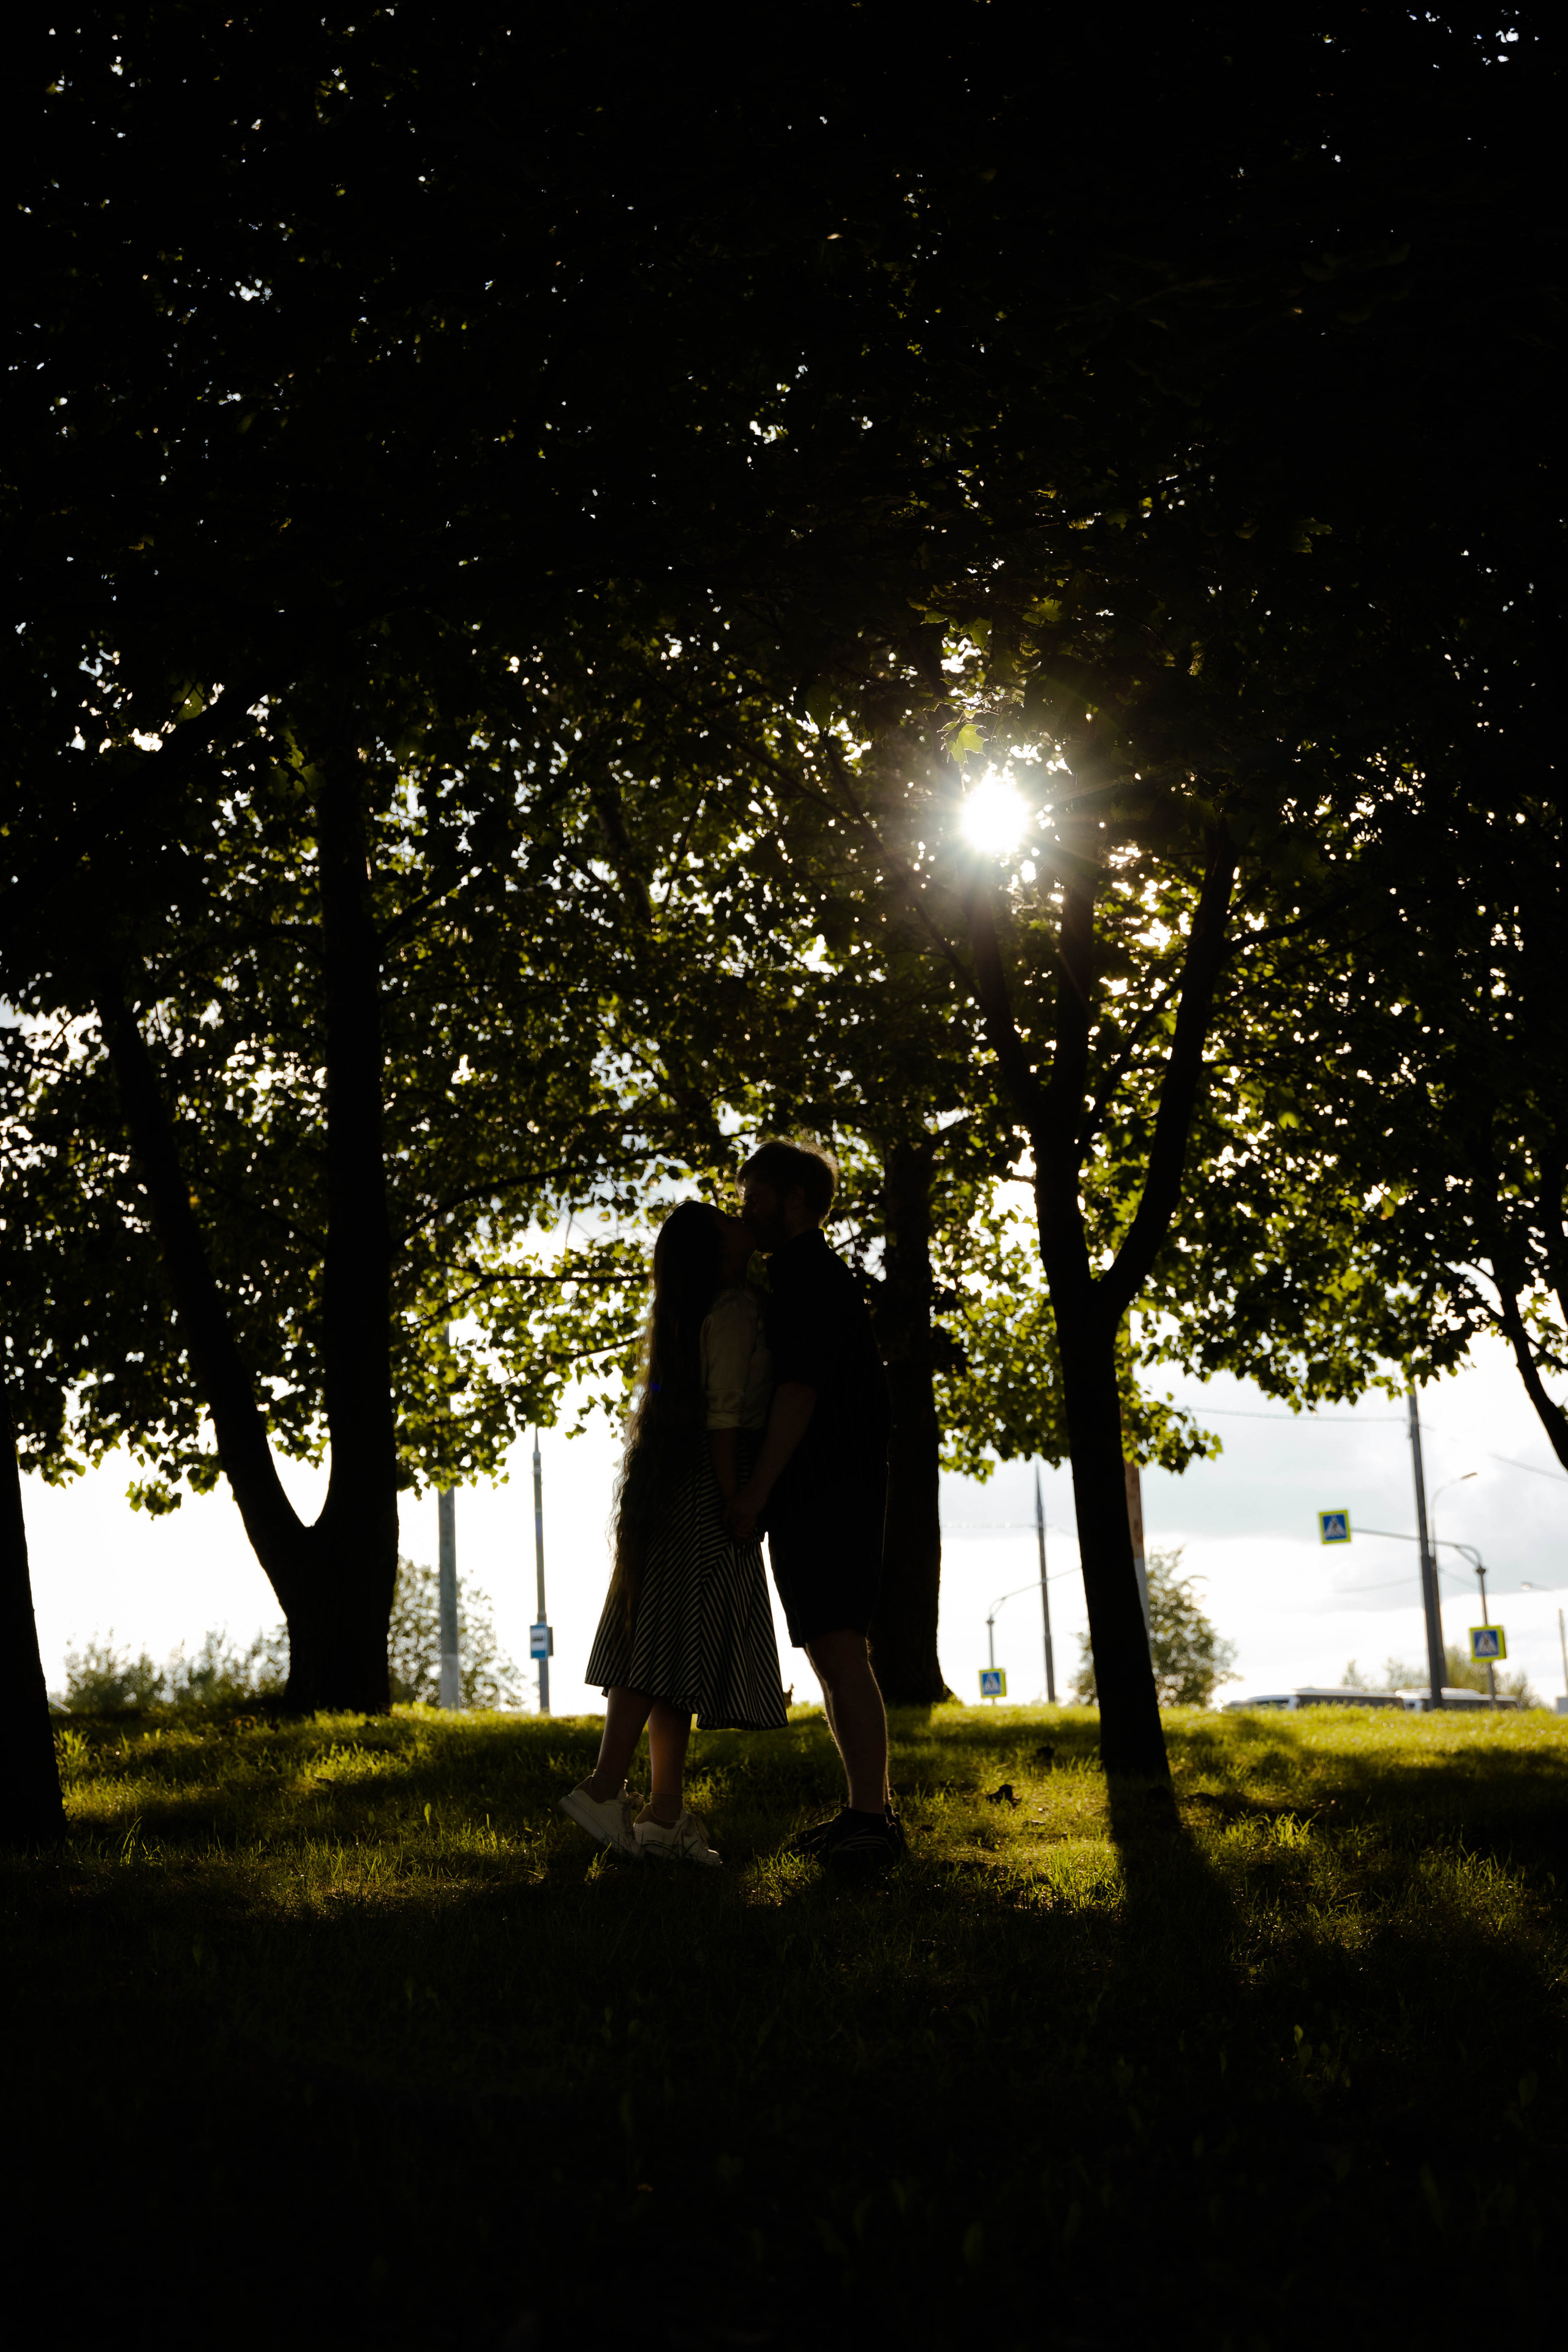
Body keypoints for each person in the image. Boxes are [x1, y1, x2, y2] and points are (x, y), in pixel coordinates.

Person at [561, 1199, 786, 1866]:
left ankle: (662, 1813)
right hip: (712, 1482)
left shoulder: (693, 1313)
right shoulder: (736, 1310)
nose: (740, 1217)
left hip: (679, 1482)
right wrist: (738, 1500)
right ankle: (606, 1787)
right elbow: (725, 1420)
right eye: (725, 1223)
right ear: (717, 1253)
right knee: (665, 1642)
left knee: (669, 1643)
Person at [726, 1139, 903, 1868]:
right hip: (829, 1492)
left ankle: (874, 1820)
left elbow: (798, 1393)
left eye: (756, 1197)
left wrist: (755, 1493)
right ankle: (866, 1813)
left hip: (825, 1493)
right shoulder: (806, 1277)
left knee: (839, 1651)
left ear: (794, 1196)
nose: (748, 1211)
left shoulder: (806, 1280)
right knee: (833, 1655)